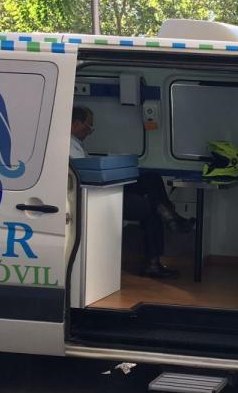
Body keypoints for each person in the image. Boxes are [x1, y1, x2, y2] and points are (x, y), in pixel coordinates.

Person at [70, 106, 185, 279]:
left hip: (103, 188)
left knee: (152, 178)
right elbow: (84, 174)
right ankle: (168, 220)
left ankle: (168, 215)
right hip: (95, 195)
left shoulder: (76, 144)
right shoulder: (67, 145)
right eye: (89, 127)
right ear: (75, 123)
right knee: (151, 209)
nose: (90, 132)